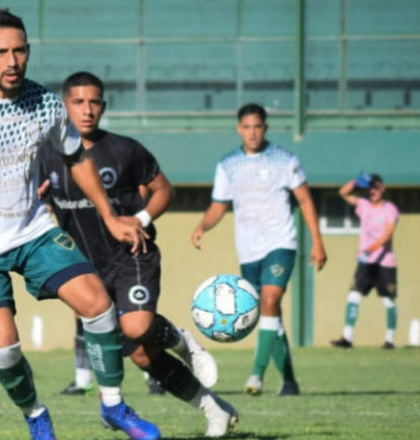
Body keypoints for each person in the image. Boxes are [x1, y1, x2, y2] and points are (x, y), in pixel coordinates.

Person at [0, 9, 159, 440]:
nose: (12, 61)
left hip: (33, 232)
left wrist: (111, 216)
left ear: (28, 51)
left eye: (19, 50)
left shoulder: (44, 103)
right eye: (1, 52)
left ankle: (113, 406)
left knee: (98, 303)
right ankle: (36, 414)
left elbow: (76, 157)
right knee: (4, 349)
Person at [39, 72, 237, 438]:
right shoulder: (46, 154)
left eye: (94, 102)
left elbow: (164, 190)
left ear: (104, 106)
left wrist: (141, 217)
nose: (87, 110)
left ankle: (184, 342)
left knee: (137, 327)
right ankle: (215, 411)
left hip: (132, 254)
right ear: (64, 107)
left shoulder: (124, 150)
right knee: (143, 355)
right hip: (85, 270)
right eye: (78, 102)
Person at [191, 103, 327, 397]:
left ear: (265, 128)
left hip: (281, 243)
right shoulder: (228, 164)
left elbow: (305, 200)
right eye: (247, 127)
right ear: (240, 129)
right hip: (248, 250)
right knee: (268, 311)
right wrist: (202, 226)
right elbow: (219, 206)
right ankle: (289, 381)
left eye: (258, 127)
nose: (253, 132)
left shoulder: (285, 159)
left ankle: (256, 375)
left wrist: (317, 241)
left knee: (269, 300)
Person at [330, 172, 399, 349]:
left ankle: (389, 340)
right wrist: (356, 181)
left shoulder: (390, 209)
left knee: (388, 300)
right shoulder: (364, 205)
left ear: (383, 189)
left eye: (375, 187)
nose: (372, 191)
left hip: (384, 262)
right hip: (365, 262)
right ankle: (347, 338)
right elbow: (343, 193)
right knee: (354, 296)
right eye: (369, 188)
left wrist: (370, 249)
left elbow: (388, 236)